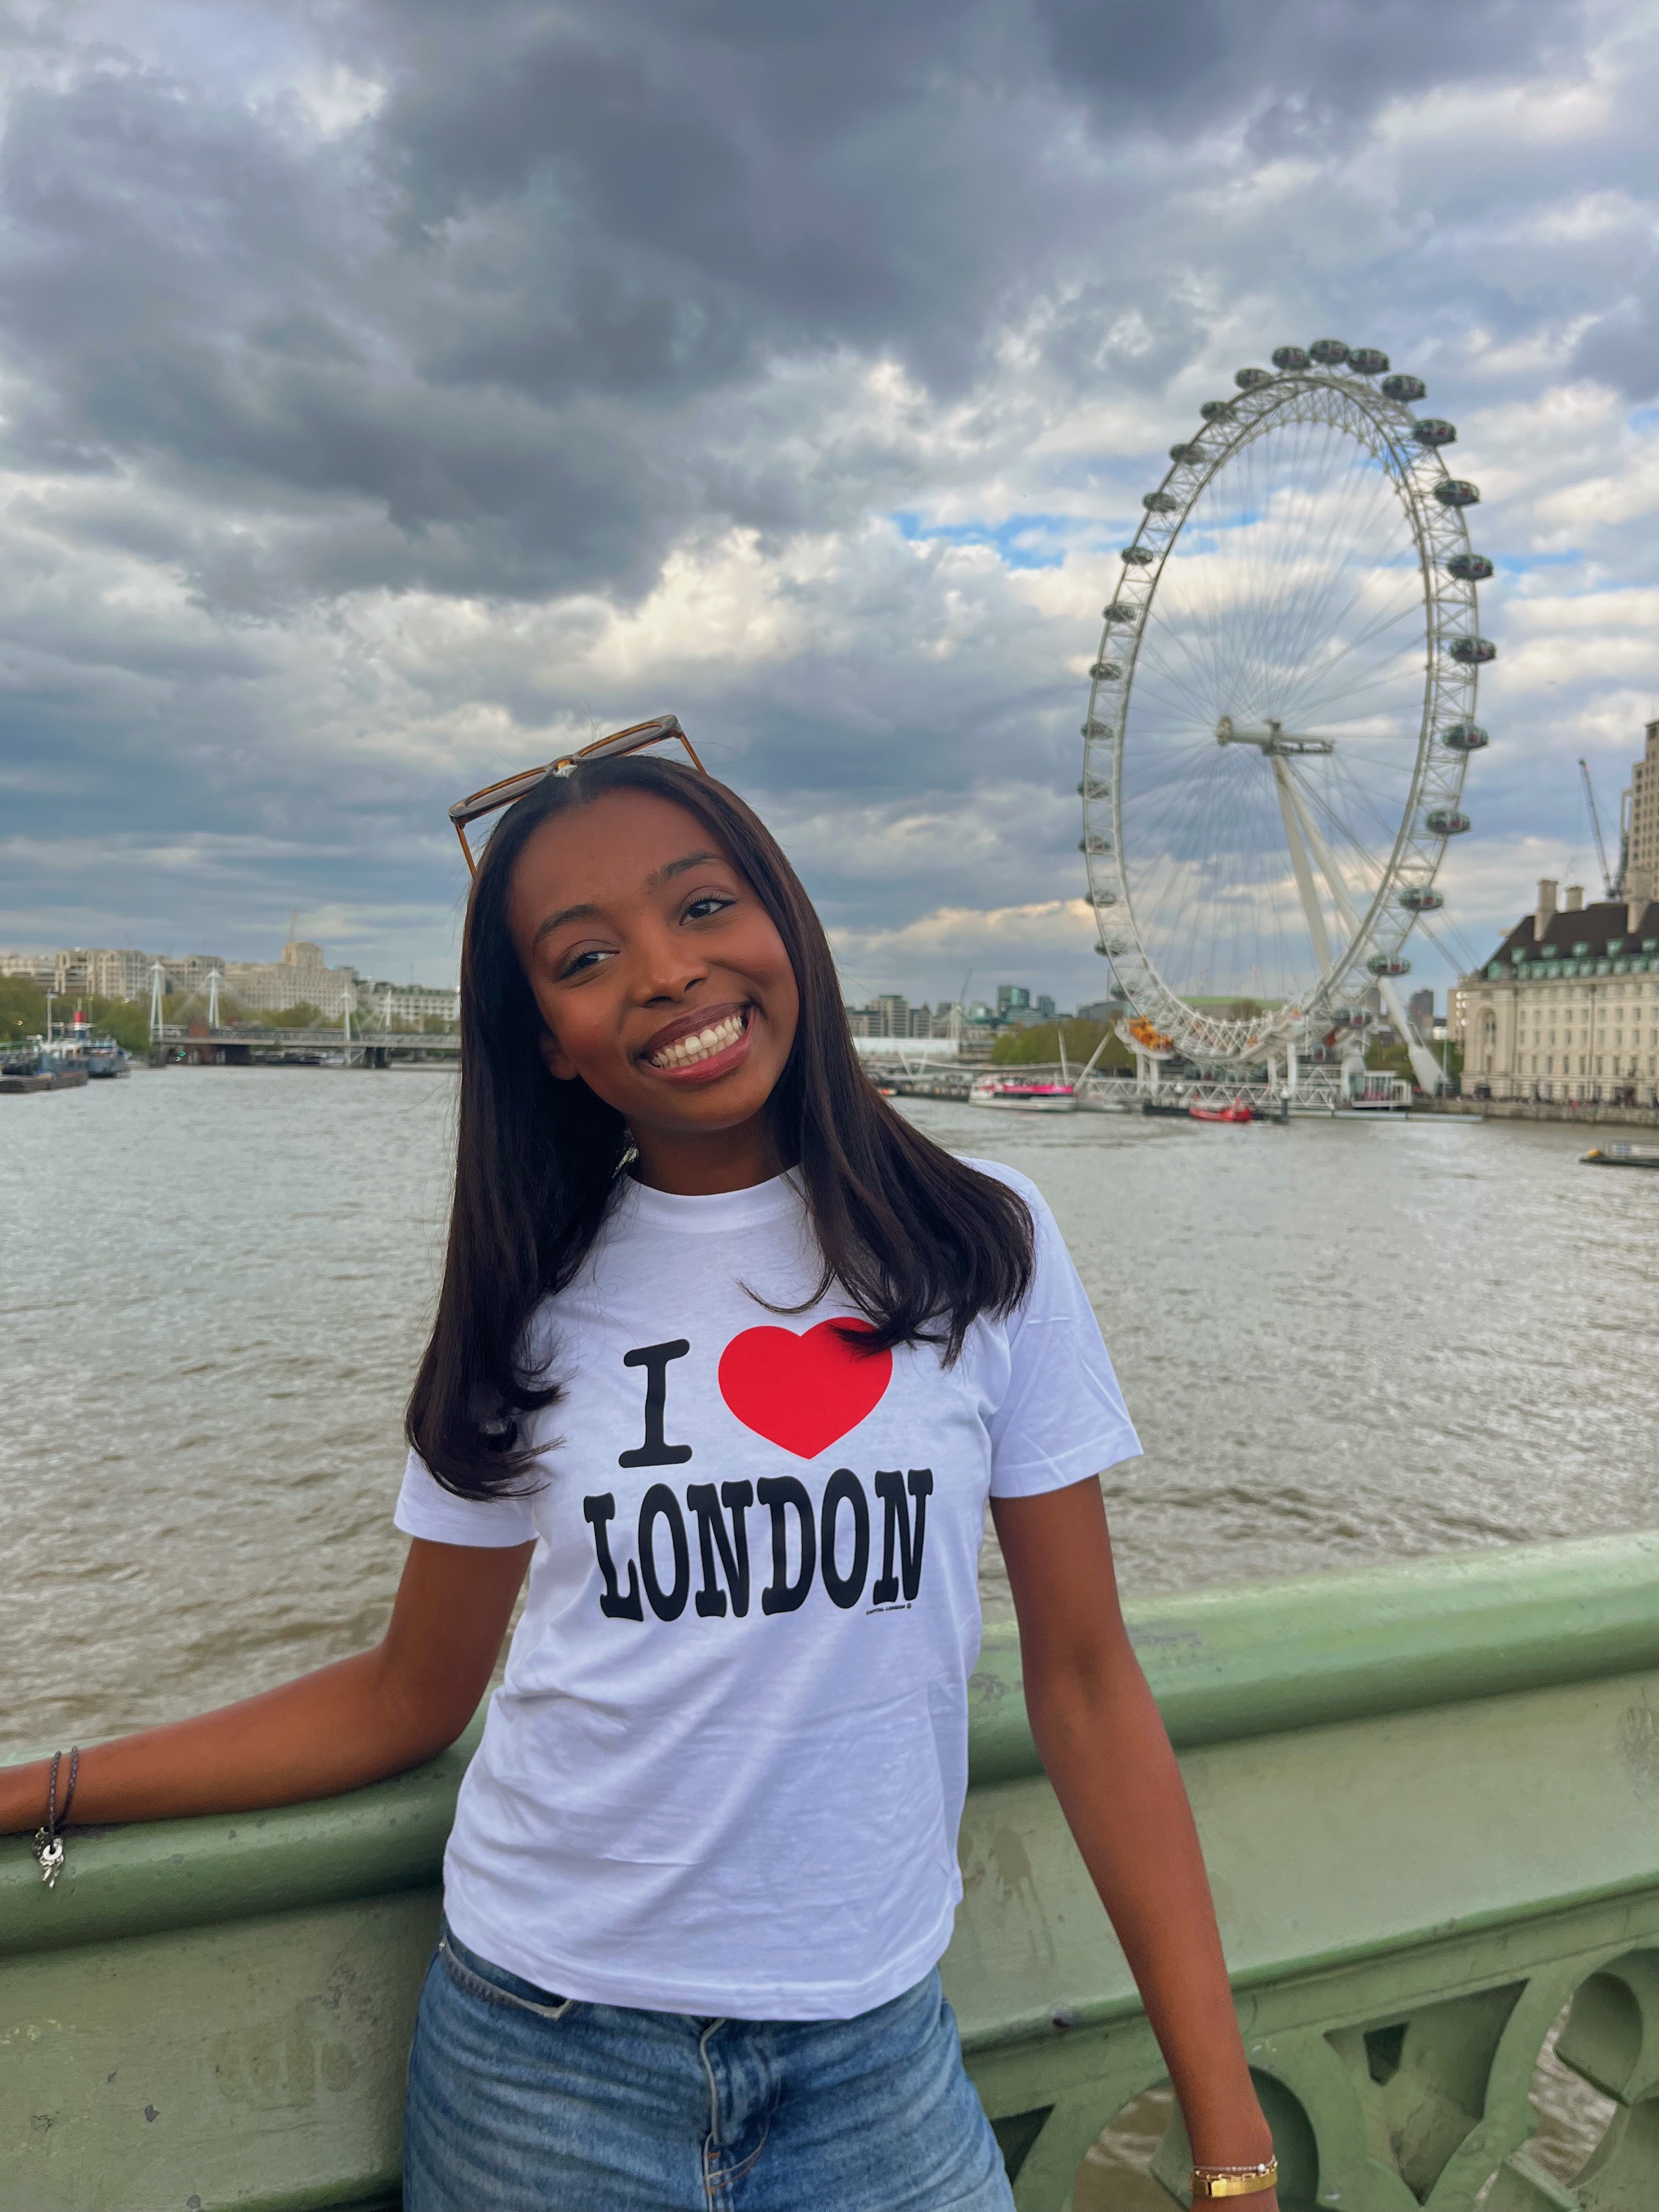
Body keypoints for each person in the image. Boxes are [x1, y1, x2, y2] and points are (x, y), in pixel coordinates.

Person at [2, 721, 1279, 2211]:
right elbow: (410, 1696)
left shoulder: (982, 1245)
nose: (669, 973)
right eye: (587, 956)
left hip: (875, 2063)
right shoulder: (526, 1299)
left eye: (701, 907)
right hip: (542, 2069)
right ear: (547, 1035)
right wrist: (46, 1781)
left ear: (784, 922)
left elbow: (1084, 1681)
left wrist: (1231, 2134)